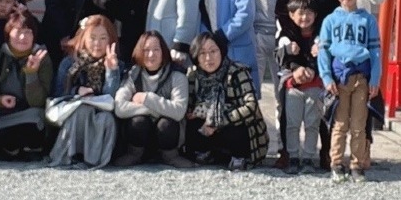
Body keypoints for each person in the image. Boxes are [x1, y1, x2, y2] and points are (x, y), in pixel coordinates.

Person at [318, 0, 382, 184]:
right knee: (340, 122)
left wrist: (375, 78)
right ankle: (336, 162)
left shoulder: (368, 20)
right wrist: (326, 77)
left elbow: (375, 51)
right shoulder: (330, 20)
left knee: (359, 123)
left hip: (361, 77)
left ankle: (357, 163)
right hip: (339, 78)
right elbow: (324, 52)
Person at [184, 31, 268, 171]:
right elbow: (188, 107)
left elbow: (251, 106)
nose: (208, 58)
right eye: (202, 53)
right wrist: (203, 112)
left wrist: (219, 120)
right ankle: (205, 153)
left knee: (237, 127)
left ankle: (239, 157)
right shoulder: (193, 75)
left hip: (234, 127)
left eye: (213, 51)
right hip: (207, 128)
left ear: (222, 51)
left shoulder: (237, 72)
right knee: (193, 121)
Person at [49, 14, 122, 169]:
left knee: (105, 118)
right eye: (92, 38)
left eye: (103, 38)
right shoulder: (69, 63)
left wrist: (112, 71)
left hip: (102, 112)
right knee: (82, 110)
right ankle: (73, 154)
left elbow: (113, 99)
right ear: (84, 38)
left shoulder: (118, 63)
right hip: (74, 111)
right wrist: (76, 90)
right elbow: (58, 93)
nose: (97, 43)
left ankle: (95, 158)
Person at [113, 30, 193, 168]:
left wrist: (147, 98)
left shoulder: (177, 75)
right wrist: (151, 109)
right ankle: (134, 155)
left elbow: (179, 111)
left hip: (168, 136)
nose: (151, 54)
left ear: (163, 51)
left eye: (156, 49)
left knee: (166, 123)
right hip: (141, 134)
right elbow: (119, 108)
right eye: (146, 50)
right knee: (138, 121)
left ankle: (171, 157)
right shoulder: (133, 75)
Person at [0, 12, 52, 160]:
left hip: (31, 114)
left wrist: (31, 73)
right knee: (3, 137)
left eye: (28, 32)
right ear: (8, 34)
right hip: (1, 116)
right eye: (18, 32)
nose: (23, 37)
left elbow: (39, 101)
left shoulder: (42, 58)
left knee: (32, 129)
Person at [276, 0, 325, 175]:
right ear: (291, 15)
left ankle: (309, 157)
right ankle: (293, 156)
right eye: (300, 13)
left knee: (313, 123)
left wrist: (315, 66)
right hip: (293, 87)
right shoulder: (287, 34)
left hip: (315, 86)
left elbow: (327, 58)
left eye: (309, 13)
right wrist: (289, 51)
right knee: (292, 123)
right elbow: (279, 56)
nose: (305, 18)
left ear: (315, 14)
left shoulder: (321, 34)